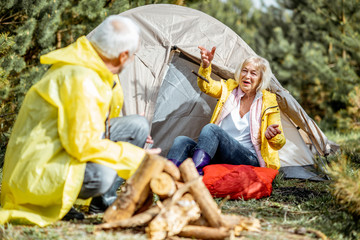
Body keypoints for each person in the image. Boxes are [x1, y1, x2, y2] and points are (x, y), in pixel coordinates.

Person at [0, 15, 160, 226]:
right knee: (102, 175)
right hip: (39, 168)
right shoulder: (81, 78)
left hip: (62, 146)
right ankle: (56, 204)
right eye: (133, 55)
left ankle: (103, 204)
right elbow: (82, 145)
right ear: (123, 57)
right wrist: (137, 157)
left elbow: (96, 121)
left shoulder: (93, 65)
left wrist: (128, 140)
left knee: (137, 126)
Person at [167, 46, 286, 174]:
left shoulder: (268, 101)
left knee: (211, 129)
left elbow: (279, 143)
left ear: (261, 79)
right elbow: (207, 86)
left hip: (248, 158)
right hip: (220, 152)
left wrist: (272, 136)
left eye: (253, 73)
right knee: (181, 141)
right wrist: (206, 66)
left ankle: (196, 176)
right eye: (244, 71)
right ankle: (167, 179)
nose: (247, 76)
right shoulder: (229, 90)